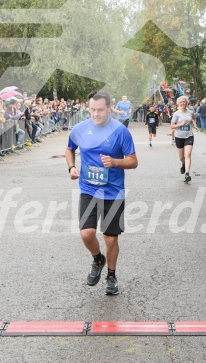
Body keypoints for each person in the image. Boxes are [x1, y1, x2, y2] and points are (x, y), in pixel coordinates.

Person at [66, 90, 138, 295]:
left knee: (110, 238)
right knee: (86, 233)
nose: (96, 114)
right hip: (88, 189)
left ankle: (112, 276)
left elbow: (133, 161)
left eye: (100, 110)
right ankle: (98, 259)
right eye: (92, 110)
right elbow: (69, 148)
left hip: (113, 192)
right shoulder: (80, 128)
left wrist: (115, 162)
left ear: (109, 109)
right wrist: (71, 167)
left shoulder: (120, 131)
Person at [171, 95, 199, 183]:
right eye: (181, 102)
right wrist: (181, 124)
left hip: (189, 135)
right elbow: (172, 126)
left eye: (184, 102)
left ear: (186, 103)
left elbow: (194, 119)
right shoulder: (176, 114)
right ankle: (183, 164)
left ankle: (187, 173)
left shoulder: (190, 112)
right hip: (179, 136)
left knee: (188, 154)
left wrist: (195, 126)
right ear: (178, 104)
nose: (183, 103)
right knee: (181, 157)